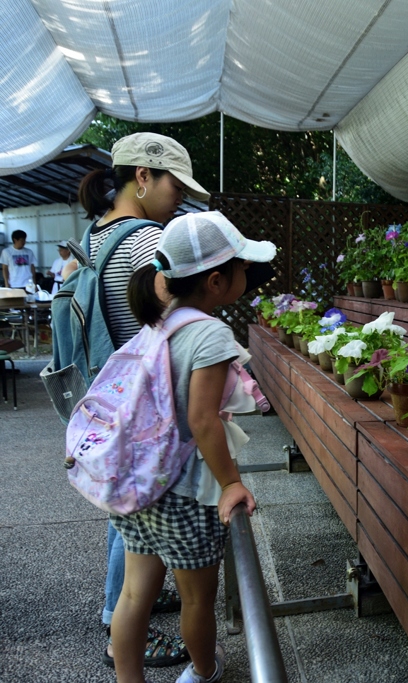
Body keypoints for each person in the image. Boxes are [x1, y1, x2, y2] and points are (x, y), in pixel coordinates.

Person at [113, 211, 275, 683]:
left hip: (138, 481)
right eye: (244, 267)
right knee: (197, 598)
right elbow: (202, 420)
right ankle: (204, 670)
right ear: (218, 281)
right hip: (183, 491)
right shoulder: (209, 332)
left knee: (133, 595)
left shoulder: (159, 322)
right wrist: (231, 484)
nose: (249, 274)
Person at [77, 131, 210, 668]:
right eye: (175, 184)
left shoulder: (96, 234)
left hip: (106, 392)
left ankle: (129, 603)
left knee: (124, 504)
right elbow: (167, 318)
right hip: (142, 403)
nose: (180, 195)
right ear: (143, 176)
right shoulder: (144, 242)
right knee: (132, 507)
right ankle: (117, 625)